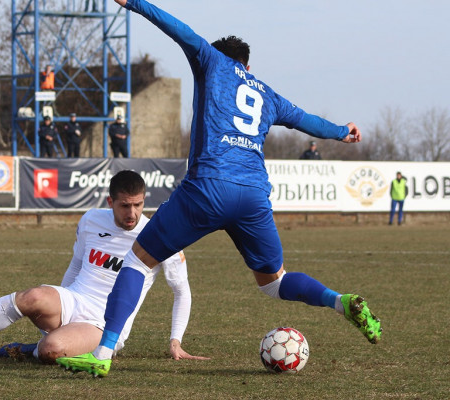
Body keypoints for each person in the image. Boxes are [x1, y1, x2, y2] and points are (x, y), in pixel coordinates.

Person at [56, 0, 382, 378]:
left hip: (208, 188)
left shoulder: (210, 62)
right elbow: (307, 120)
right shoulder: (266, 94)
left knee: (137, 259)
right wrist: (343, 131)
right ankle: (340, 302)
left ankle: (103, 353)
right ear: (248, 65)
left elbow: (179, 30)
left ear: (218, 57)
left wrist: (135, 3)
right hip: (253, 197)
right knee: (274, 283)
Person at [0, 170, 207, 365]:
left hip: (104, 325)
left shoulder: (160, 235)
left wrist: (175, 340)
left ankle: (32, 350)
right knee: (31, 296)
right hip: (74, 299)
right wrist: (61, 298)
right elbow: (76, 264)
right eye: (124, 206)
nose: (132, 213)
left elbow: (182, 291)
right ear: (110, 202)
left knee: (51, 350)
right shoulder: (92, 220)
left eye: (138, 205)